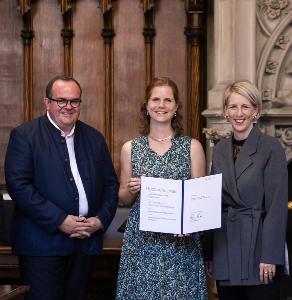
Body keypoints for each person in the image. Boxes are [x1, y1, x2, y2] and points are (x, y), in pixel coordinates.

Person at [4, 75, 119, 300]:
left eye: (74, 101)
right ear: (47, 102)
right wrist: (60, 221)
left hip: (85, 241)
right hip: (41, 245)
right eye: (61, 100)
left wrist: (100, 220)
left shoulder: (95, 138)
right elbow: (19, 186)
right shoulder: (25, 136)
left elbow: (111, 185)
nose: (68, 106)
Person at [116, 76, 207, 299]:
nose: (161, 105)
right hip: (142, 242)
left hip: (181, 244)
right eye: (156, 99)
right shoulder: (130, 148)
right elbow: (123, 199)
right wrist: (131, 189)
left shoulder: (192, 147)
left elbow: (201, 201)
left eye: (168, 100)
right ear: (146, 106)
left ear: (176, 107)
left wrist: (191, 225)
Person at [208, 80, 288, 300]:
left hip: (260, 252)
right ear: (225, 111)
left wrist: (270, 255)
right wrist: (210, 253)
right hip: (226, 247)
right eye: (233, 107)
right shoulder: (220, 150)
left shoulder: (271, 148)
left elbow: (277, 207)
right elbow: (213, 204)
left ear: (256, 111)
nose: (239, 113)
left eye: (245, 106)